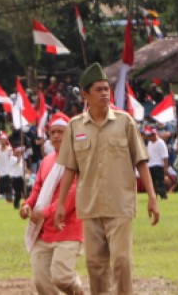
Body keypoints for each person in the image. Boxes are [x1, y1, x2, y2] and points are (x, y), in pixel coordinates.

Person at [53, 63, 159, 295]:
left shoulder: (125, 122)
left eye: (106, 89)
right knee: (95, 265)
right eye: (99, 89)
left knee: (121, 261)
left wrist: (152, 197)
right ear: (85, 94)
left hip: (120, 204)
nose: (104, 94)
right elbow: (69, 168)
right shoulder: (75, 126)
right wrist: (61, 204)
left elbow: (141, 160)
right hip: (90, 207)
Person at [21, 112, 84, 295]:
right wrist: (28, 205)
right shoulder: (47, 160)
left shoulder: (78, 159)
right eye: (52, 132)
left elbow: (73, 193)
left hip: (68, 230)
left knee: (62, 278)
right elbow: (37, 189)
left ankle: (78, 291)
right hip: (42, 231)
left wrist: (47, 212)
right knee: (42, 283)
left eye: (60, 132)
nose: (56, 135)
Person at [144, 127, 169, 199]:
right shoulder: (149, 143)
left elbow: (165, 156)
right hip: (150, 165)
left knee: (160, 182)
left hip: (158, 165)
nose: (148, 138)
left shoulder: (160, 143)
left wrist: (165, 167)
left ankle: (163, 195)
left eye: (149, 136)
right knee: (152, 182)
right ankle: (154, 196)